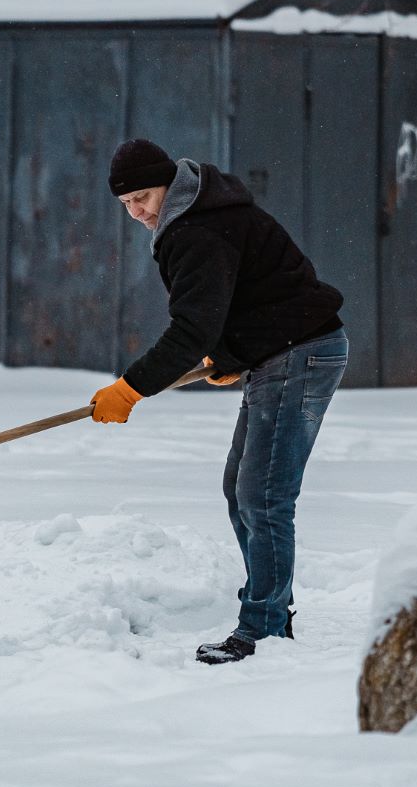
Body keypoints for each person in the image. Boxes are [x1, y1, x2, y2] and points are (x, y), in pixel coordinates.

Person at [90, 138, 348, 664]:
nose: (138, 212)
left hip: (301, 354)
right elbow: (256, 293)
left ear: (169, 184)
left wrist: (130, 388)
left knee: (264, 496)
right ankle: (271, 615)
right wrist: (233, 352)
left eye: (143, 197)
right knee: (241, 489)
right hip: (284, 351)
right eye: (126, 205)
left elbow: (191, 327)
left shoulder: (196, 229)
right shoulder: (202, 212)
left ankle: (264, 631)